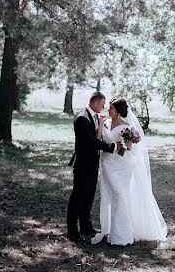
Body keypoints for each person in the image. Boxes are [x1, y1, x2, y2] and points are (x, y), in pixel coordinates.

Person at [92, 97, 168, 245]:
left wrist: (127, 145)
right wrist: (101, 123)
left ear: (118, 111)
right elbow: (98, 139)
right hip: (107, 164)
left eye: (111, 108)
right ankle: (110, 229)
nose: (108, 110)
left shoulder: (126, 127)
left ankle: (122, 234)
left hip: (122, 165)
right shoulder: (106, 123)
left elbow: (130, 148)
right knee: (112, 195)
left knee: (120, 195)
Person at [66, 91, 121, 243]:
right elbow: (92, 142)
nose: (104, 107)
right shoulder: (82, 118)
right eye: (103, 104)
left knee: (88, 196)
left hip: (92, 163)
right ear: (95, 103)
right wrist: (112, 147)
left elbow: (98, 135)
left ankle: (86, 226)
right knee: (77, 196)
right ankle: (72, 231)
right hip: (83, 164)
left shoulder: (95, 116)